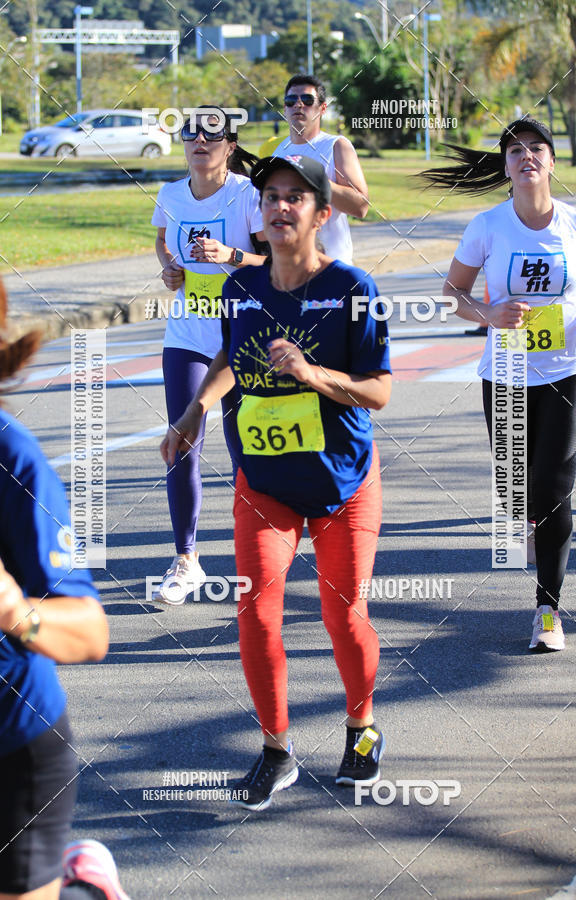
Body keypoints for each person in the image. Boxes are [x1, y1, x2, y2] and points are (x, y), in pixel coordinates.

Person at [161, 155, 392, 809]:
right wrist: (191, 413)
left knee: (343, 617)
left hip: (343, 483)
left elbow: (378, 391)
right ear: (258, 214)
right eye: (271, 195)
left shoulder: (352, 288)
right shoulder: (242, 289)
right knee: (256, 614)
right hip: (262, 483)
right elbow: (232, 355)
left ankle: (362, 727)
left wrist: (314, 375)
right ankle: (277, 750)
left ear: (322, 214)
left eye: (296, 197)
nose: (281, 206)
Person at [422, 116, 576, 651]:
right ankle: (526, 519)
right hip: (505, 371)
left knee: (553, 484)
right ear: (505, 166)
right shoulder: (488, 226)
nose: (526, 157)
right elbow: (453, 292)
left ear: (551, 161)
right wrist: (489, 312)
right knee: (517, 484)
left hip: (572, 368)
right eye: (515, 151)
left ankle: (548, 609)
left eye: (536, 149)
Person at [0, 277, 129, 899]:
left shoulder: (11, 458)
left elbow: (90, 630)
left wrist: (15, 612)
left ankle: (84, 888)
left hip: (13, 751)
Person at [151, 107, 266, 605]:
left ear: (231, 146)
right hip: (187, 333)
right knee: (182, 442)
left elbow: (275, 260)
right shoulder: (171, 194)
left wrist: (233, 257)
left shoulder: (247, 195)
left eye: (211, 135)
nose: (199, 141)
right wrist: (169, 270)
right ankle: (186, 559)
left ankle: (258, 560)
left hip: (239, 336)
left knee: (246, 452)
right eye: (190, 134)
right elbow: (161, 241)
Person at [271, 74, 369, 263]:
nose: (298, 105)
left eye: (307, 100)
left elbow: (361, 207)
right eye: (291, 101)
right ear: (284, 108)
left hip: (331, 266)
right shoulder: (278, 152)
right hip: (290, 268)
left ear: (322, 108)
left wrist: (316, 180)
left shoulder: (336, 146)